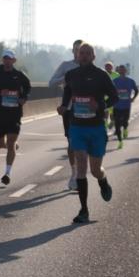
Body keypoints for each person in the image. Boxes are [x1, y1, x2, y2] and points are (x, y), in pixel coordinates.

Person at [56, 42, 118, 224]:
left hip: (96, 127)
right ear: (76, 55)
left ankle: (103, 180)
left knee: (95, 169)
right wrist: (62, 106)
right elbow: (67, 94)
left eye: (87, 53)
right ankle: (84, 210)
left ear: (93, 56)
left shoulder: (101, 75)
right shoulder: (71, 75)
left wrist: (100, 105)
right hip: (77, 127)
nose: (83, 56)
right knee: (81, 166)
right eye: (81, 53)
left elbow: (114, 97)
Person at [0, 49, 31, 185]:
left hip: (14, 115)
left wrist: (24, 98)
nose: (7, 61)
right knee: (0, 144)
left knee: (10, 143)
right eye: (5, 58)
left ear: (14, 61)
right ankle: (13, 146)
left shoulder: (19, 76)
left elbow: (28, 88)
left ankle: (7, 173)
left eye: (9, 59)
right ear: (2, 60)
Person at [49, 40, 83, 190]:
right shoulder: (66, 65)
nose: (79, 53)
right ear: (73, 51)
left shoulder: (91, 68)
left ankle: (81, 172)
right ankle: (74, 174)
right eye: (77, 50)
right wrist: (65, 78)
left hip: (86, 110)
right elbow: (51, 83)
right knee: (71, 143)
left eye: (82, 50)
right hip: (69, 109)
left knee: (82, 143)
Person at [111, 64, 139, 148]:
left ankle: (125, 129)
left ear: (126, 71)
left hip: (126, 105)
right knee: (117, 124)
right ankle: (120, 141)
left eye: (123, 70)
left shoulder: (130, 81)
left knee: (125, 122)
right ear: (118, 71)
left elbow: (136, 90)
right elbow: (110, 91)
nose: (122, 71)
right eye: (120, 70)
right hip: (116, 105)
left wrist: (133, 98)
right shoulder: (114, 81)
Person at [103, 61, 119, 130]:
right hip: (104, 97)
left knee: (112, 114)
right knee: (105, 114)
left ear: (112, 67)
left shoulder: (116, 75)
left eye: (109, 66)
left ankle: (112, 123)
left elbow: (119, 84)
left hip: (112, 97)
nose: (108, 68)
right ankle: (105, 127)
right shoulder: (102, 74)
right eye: (107, 67)